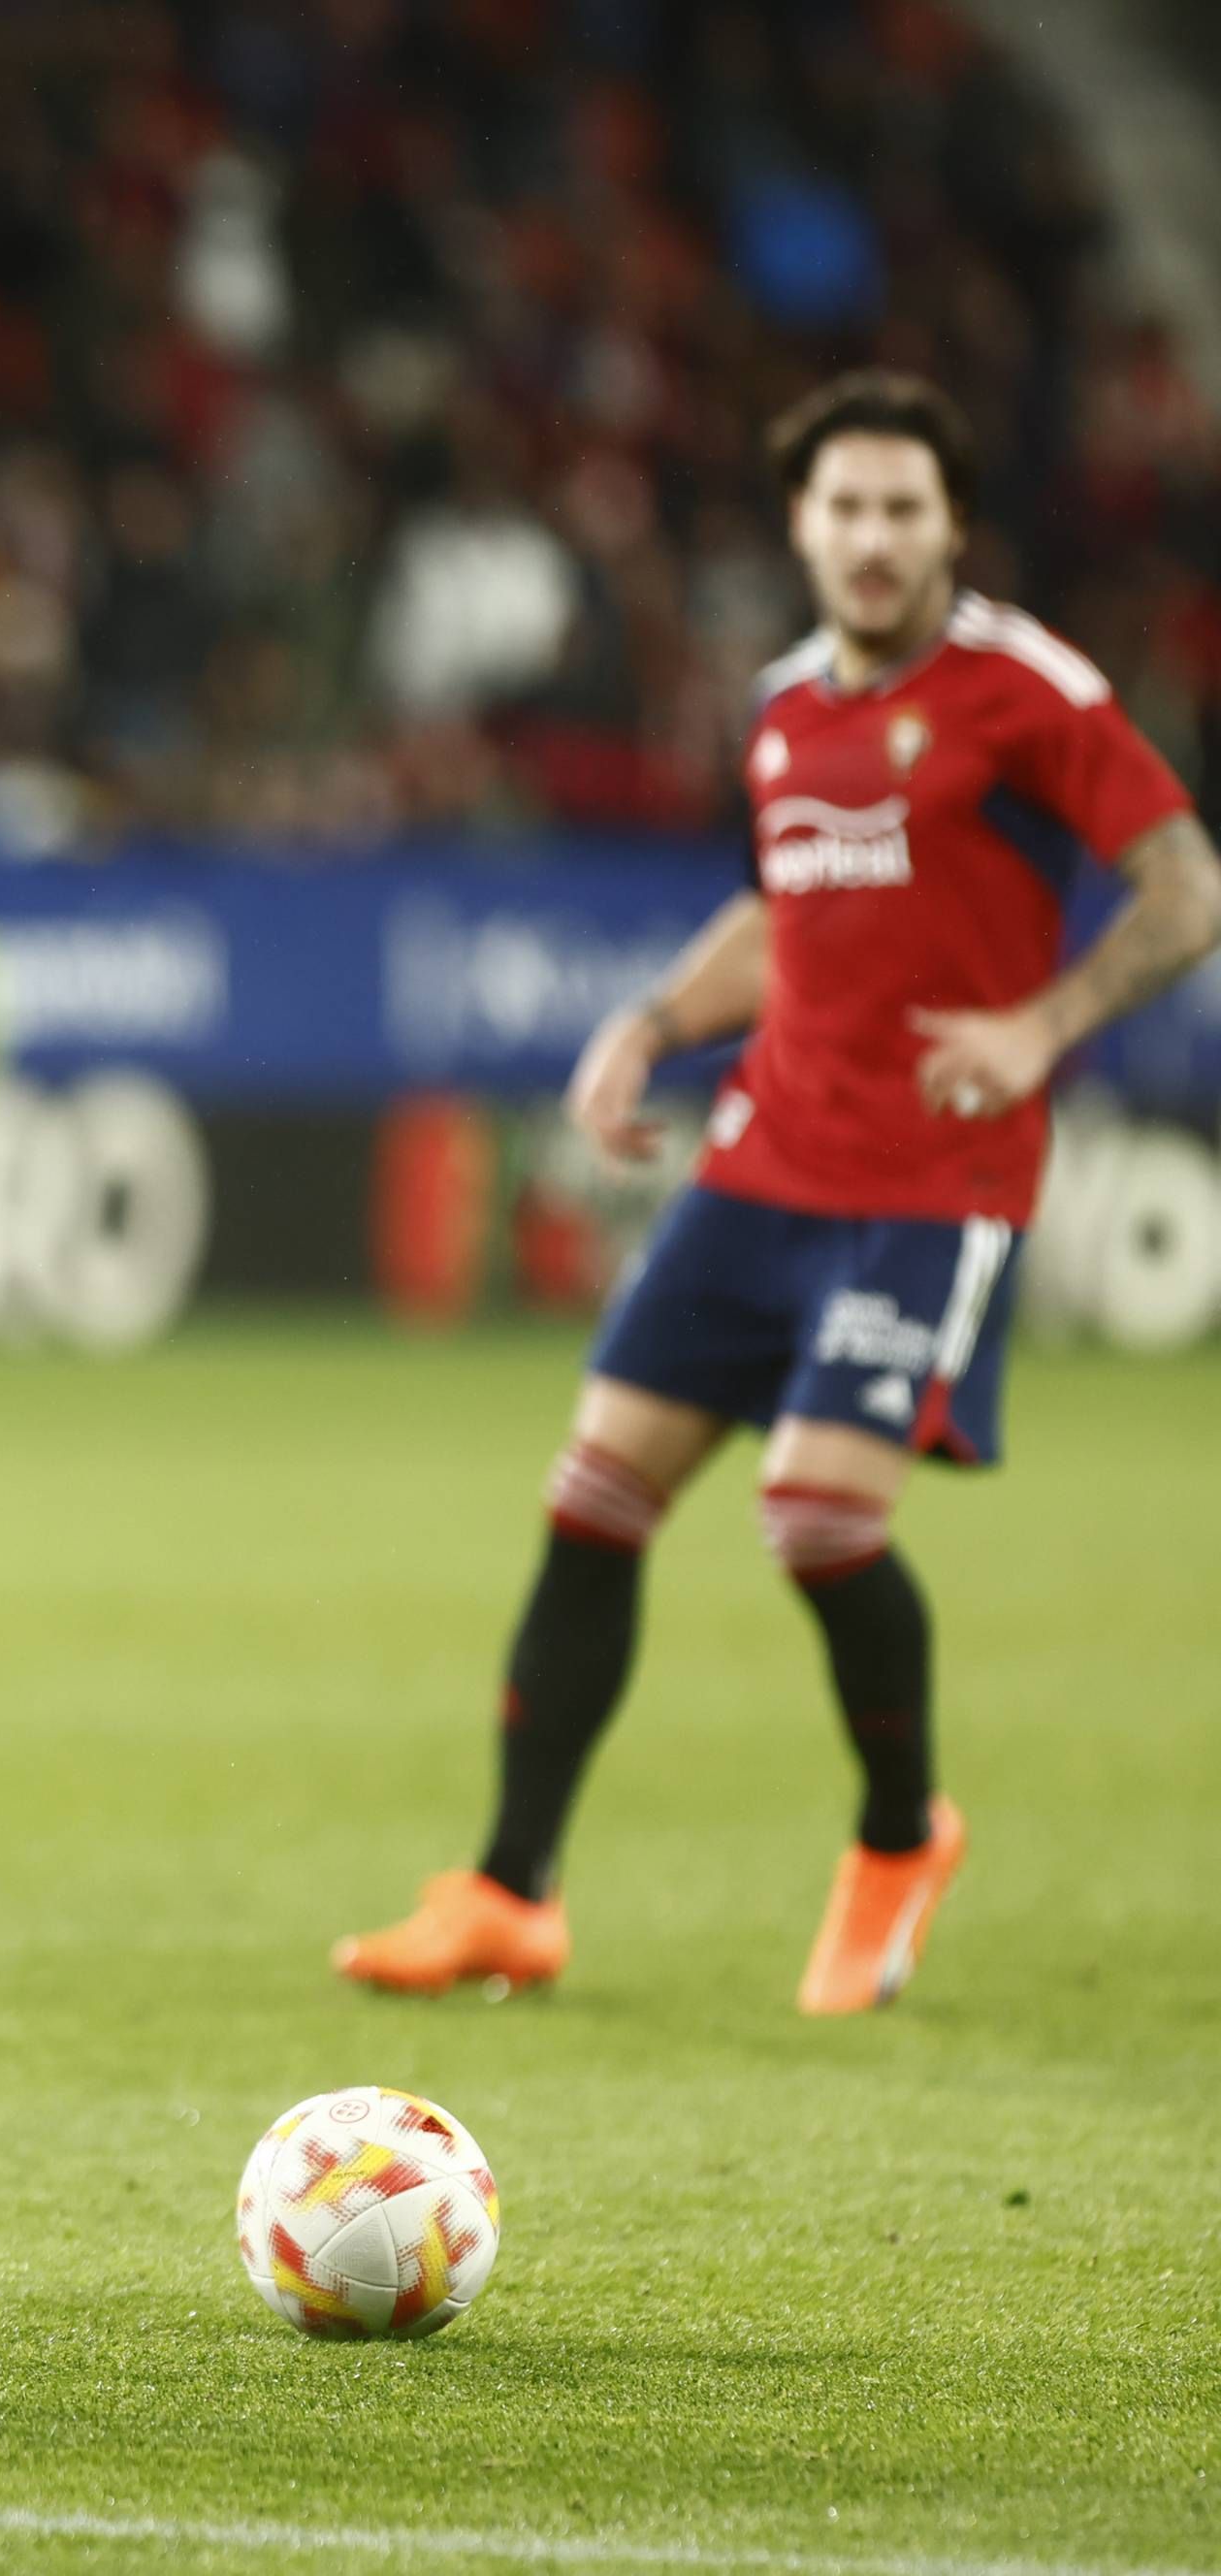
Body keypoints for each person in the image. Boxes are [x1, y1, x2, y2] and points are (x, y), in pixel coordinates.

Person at [337, 370, 1221, 2013]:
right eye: (842, 508)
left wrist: (1044, 1022)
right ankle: (505, 1892)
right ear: (798, 525)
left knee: (812, 1518)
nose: (871, 538)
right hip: (760, 1163)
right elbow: (778, 916)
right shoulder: (776, 708)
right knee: (592, 1494)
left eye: (901, 508)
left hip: (930, 1181)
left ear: (949, 523)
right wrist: (652, 1022)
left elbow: (1183, 887)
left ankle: (898, 1836)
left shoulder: (1026, 692)